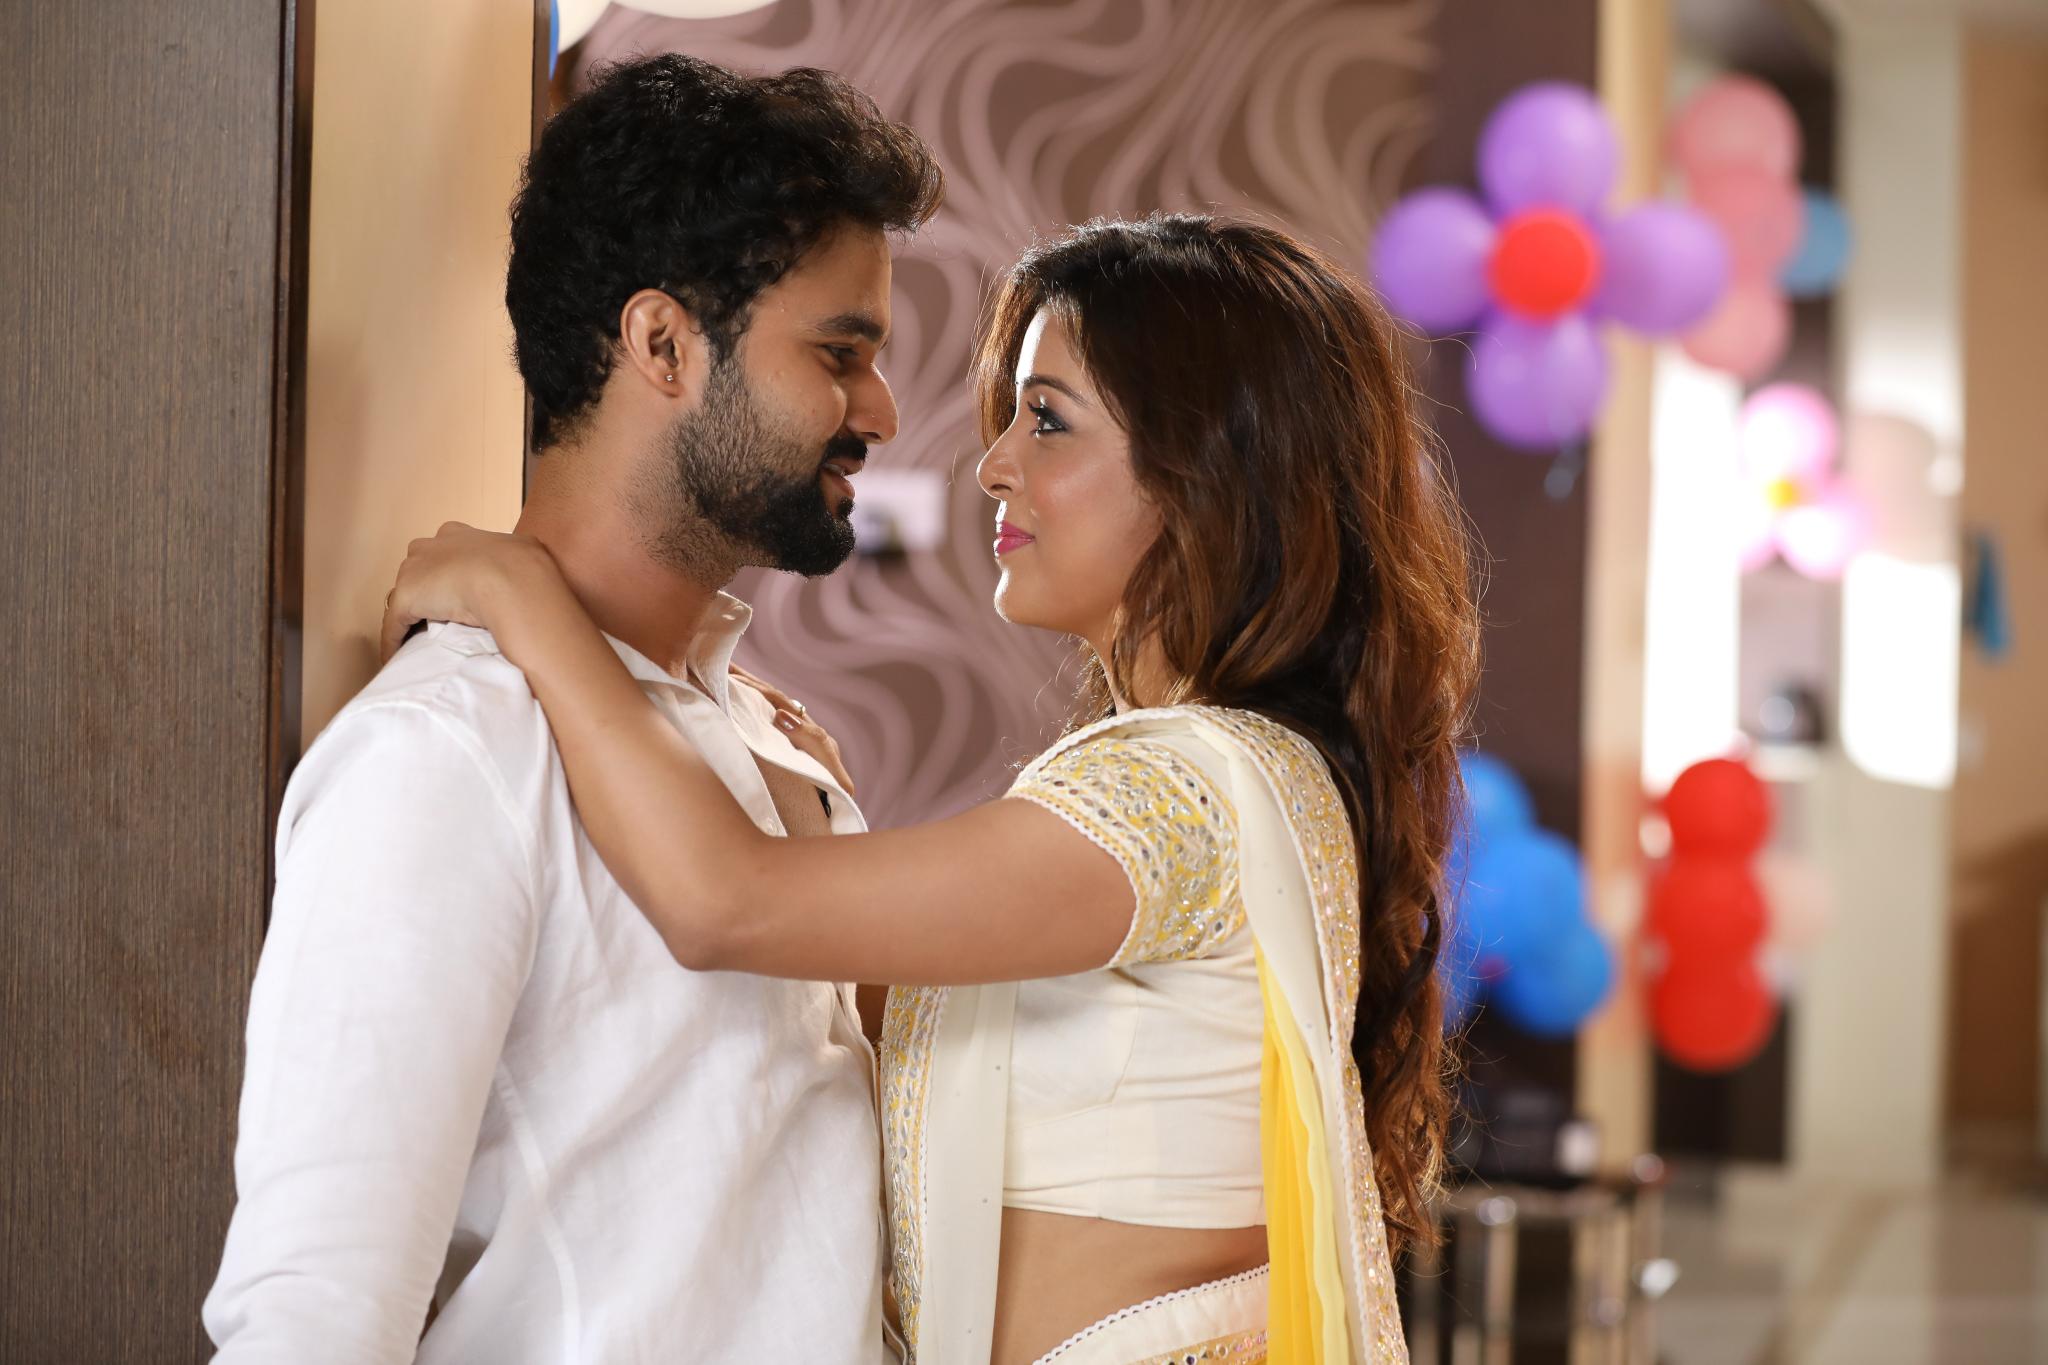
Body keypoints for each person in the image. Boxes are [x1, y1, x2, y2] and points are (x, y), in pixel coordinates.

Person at [385, 213, 1480, 1363]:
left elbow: (722, 904)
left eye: (1046, 420)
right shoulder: (1243, 773)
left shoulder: (1177, 789)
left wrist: (526, 603)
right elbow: (920, 1034)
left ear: (1206, 470)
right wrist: (807, 810)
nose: (994, 463)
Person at [204, 54, 943, 1362]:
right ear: (661, 344)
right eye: (840, 354)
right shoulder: (446, 757)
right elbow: (310, 1321)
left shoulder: (769, 740)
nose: (879, 411)